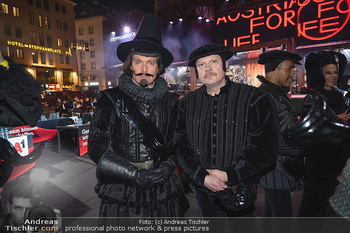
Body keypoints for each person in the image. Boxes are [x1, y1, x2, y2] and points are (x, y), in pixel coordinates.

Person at [88, 14, 187, 217]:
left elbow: (180, 141)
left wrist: (169, 166)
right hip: (124, 190)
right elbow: (96, 148)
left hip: (163, 188)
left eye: (151, 63)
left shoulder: (172, 101)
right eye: (139, 62)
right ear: (130, 65)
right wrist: (133, 174)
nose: (144, 69)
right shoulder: (109, 98)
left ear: (158, 67)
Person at [175, 44, 278, 217]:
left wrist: (229, 175)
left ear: (226, 65)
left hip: (240, 187)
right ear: (196, 71)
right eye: (201, 64)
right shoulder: (186, 103)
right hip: (203, 189)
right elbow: (180, 145)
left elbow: (265, 150)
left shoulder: (254, 99)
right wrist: (202, 177)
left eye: (213, 61)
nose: (208, 68)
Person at [298, 51, 350, 217]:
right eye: (328, 73)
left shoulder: (339, 95)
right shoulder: (313, 98)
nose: (333, 76)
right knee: (315, 204)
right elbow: (308, 130)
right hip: (321, 161)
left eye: (335, 72)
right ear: (320, 74)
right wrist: (335, 119)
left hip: (340, 159)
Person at [257, 50, 304, 218]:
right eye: (289, 69)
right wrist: (303, 147)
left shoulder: (276, 94)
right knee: (283, 219)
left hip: (279, 167)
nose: (293, 74)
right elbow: (269, 138)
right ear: (273, 71)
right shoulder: (265, 97)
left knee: (271, 216)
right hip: (275, 169)